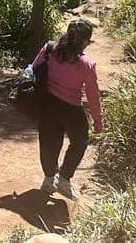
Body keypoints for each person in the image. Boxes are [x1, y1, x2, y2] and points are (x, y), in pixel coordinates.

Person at [32, 18, 103, 201]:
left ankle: (49, 179)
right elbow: (93, 96)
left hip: (47, 103)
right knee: (79, 141)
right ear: (86, 41)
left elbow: (33, 70)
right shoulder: (87, 64)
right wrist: (98, 121)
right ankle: (64, 179)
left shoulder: (49, 49)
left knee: (48, 142)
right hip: (71, 109)